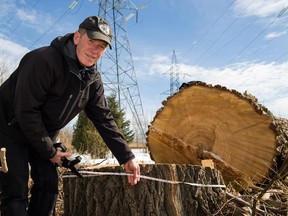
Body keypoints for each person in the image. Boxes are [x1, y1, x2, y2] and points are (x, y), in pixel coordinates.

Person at [0, 15, 141, 216]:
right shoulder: (43, 61)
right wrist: (50, 152)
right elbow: (26, 110)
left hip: (41, 134)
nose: (95, 50)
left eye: (101, 47)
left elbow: (103, 118)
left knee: (48, 185)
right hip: (8, 127)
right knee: (16, 192)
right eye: (91, 41)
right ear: (77, 37)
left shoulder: (92, 79)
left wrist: (126, 156)